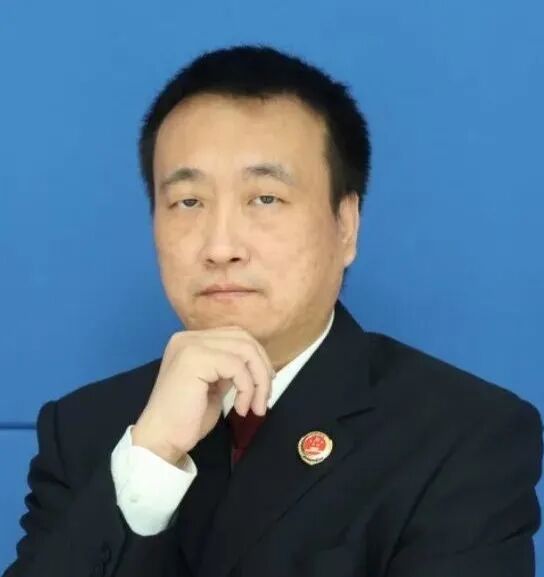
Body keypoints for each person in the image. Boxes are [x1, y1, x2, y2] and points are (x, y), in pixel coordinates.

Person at [3, 44, 542, 577]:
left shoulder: (463, 437)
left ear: (346, 225)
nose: (220, 247)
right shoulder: (87, 431)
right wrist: (151, 460)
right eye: (188, 202)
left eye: (265, 198)